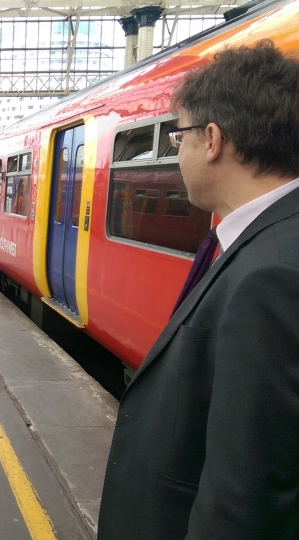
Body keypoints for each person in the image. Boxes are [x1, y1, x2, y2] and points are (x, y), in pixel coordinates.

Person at [98, 40, 299, 539]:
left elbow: (246, 493)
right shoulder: (267, 238)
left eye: (178, 136)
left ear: (211, 140)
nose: (175, 151)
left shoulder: (270, 277)